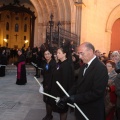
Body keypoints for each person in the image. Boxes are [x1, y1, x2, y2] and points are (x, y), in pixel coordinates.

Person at [57, 42, 108, 120]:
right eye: (79, 54)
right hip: (80, 109)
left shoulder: (100, 68)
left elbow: (97, 92)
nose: (80, 57)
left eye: (82, 53)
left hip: (92, 112)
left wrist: (75, 98)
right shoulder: (84, 65)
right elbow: (77, 84)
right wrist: (66, 97)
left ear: (90, 52)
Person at [43, 47, 74, 120]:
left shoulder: (66, 65)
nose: (57, 54)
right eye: (57, 53)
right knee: (58, 108)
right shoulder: (60, 63)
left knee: (62, 110)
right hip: (56, 90)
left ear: (64, 54)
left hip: (62, 93)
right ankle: (49, 116)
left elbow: (66, 82)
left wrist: (62, 96)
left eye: (59, 53)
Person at [42, 49, 56, 120]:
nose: (46, 55)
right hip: (45, 84)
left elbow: (52, 76)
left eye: (48, 54)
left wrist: (48, 86)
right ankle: (48, 115)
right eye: (45, 54)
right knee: (46, 100)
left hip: (50, 85)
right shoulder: (45, 63)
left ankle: (49, 116)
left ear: (51, 54)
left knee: (49, 101)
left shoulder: (53, 63)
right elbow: (44, 74)